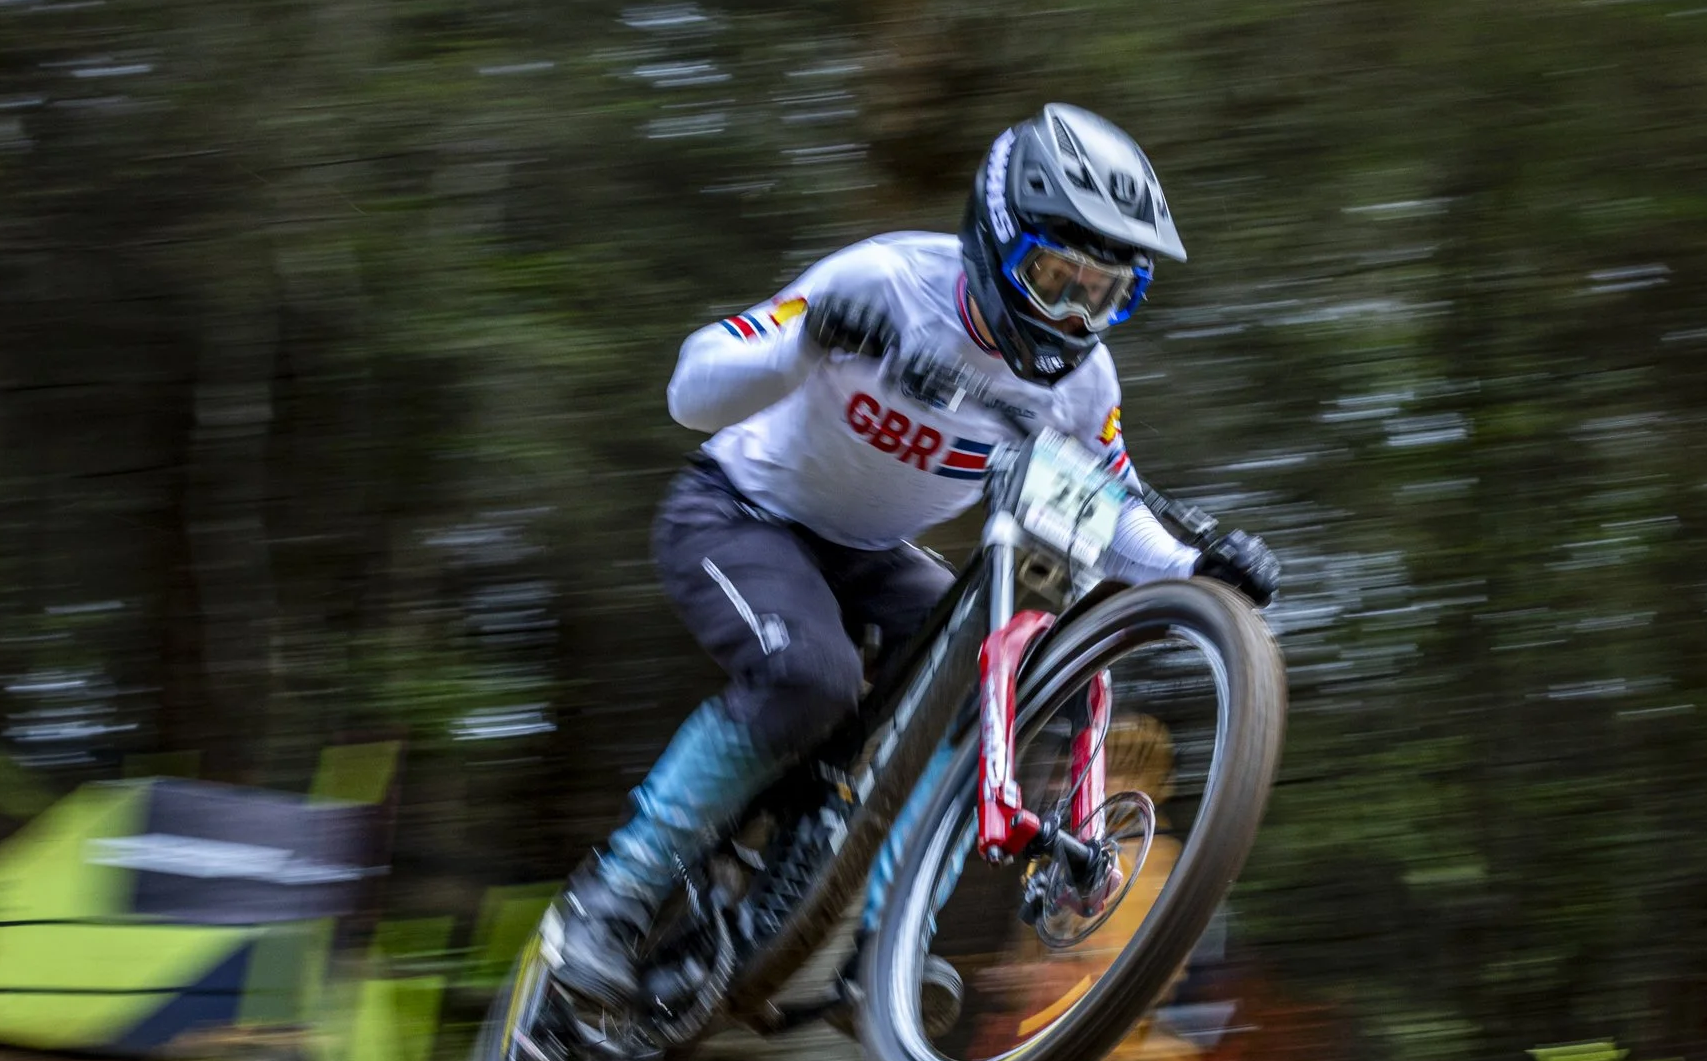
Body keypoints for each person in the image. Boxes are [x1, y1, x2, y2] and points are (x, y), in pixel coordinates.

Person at [540, 104, 1280, 1010]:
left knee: (996, 675)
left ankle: (886, 942)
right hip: (739, 512)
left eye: (1104, 293)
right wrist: (803, 343)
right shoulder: (887, 280)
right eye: (1054, 280)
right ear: (996, 240)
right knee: (813, 676)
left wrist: (1201, 575)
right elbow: (691, 387)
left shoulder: (1086, 384)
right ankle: (612, 896)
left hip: (875, 551)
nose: (1074, 317)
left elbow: (1118, 510)